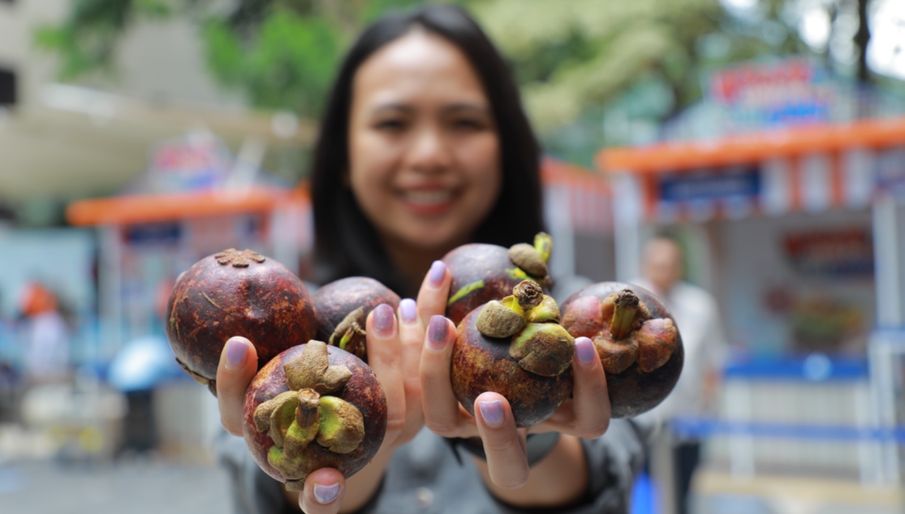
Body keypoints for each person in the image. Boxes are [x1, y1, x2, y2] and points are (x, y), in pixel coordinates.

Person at [214, 5, 649, 513]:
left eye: (463, 122)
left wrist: (530, 430)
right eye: (393, 123)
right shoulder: (275, 334)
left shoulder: (585, 324)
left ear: (506, 149)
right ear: (344, 159)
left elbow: (607, 472)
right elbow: (258, 491)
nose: (429, 154)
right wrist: (333, 459)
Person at [635, 232, 727, 514]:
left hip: (687, 422)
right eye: (657, 264)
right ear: (645, 265)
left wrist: (706, 406)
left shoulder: (700, 305)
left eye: (670, 264)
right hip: (641, 423)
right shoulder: (625, 300)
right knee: (641, 496)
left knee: (682, 496)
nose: (663, 271)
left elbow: (713, 360)